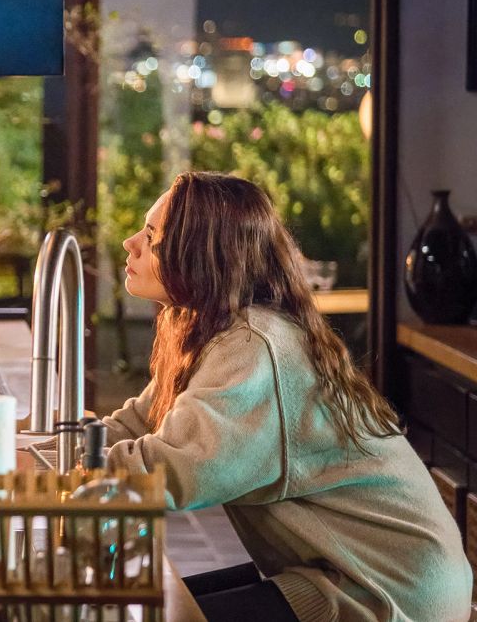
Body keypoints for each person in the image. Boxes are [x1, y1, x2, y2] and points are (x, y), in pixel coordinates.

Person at [100, 172, 471, 621]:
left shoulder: (251, 346)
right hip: (349, 573)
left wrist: (67, 469)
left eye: (151, 236)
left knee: (146, 612)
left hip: (390, 590)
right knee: (147, 603)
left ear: (200, 254)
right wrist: (56, 448)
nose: (130, 243)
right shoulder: (209, 330)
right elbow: (139, 422)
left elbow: (177, 470)